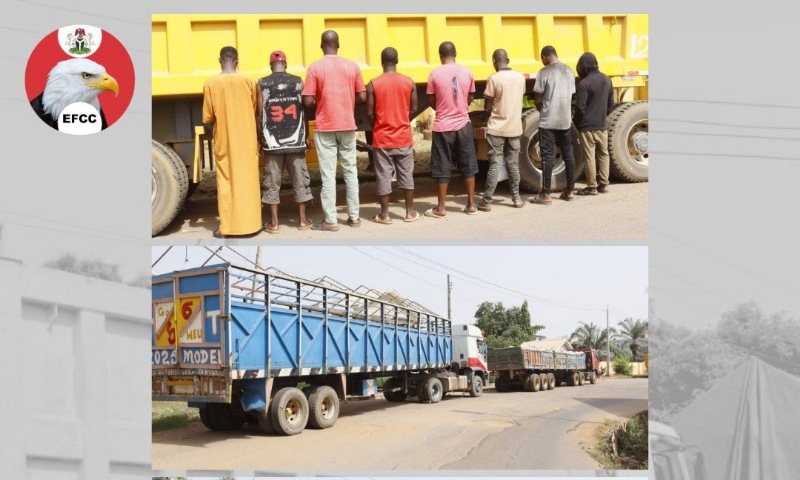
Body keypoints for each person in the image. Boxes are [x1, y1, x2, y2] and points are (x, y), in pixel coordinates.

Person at [302, 30, 366, 232]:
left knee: (328, 175)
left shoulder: (315, 67)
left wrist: (320, 100)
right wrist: (348, 99)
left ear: (322, 45)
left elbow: (307, 100)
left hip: (325, 126)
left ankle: (331, 220)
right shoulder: (352, 66)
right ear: (338, 44)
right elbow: (362, 95)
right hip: (347, 125)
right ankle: (354, 217)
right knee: (350, 171)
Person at [202, 46, 262, 238]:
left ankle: (228, 228)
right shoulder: (249, 81)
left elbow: (208, 118)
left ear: (219, 61)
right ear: (237, 61)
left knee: (226, 182)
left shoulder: (211, 84)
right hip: (247, 140)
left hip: (225, 141)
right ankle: (252, 225)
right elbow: (255, 110)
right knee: (249, 181)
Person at [257, 50, 313, 233]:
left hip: (272, 143)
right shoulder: (297, 82)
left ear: (271, 65)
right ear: (286, 64)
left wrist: (260, 139)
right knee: (300, 180)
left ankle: (274, 224)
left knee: (272, 183)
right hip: (295, 141)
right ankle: (302, 221)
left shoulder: (263, 83)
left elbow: (260, 114)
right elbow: (303, 110)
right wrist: (305, 135)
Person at [424, 41, 479, 218]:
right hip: (463, 125)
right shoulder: (467, 71)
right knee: (468, 164)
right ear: (455, 54)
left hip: (442, 127)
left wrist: (442, 108)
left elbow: (431, 101)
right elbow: (470, 96)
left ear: (440, 56)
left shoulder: (434, 74)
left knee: (442, 167)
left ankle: (441, 208)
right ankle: (471, 205)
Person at [366, 47, 420, 224]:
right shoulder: (409, 82)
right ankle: (410, 212)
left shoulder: (373, 84)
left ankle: (385, 215)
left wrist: (380, 125)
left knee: (383, 176)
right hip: (403, 137)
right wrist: (402, 121)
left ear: (382, 62)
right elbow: (413, 109)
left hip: (382, 139)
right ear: (397, 61)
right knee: (406, 175)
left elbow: (370, 113)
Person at [478, 49, 526, 212]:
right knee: (513, 164)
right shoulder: (520, 77)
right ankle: (517, 198)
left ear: (494, 61)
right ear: (508, 59)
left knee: (495, 164)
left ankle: (486, 201)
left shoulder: (494, 79)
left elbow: (487, 106)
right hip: (514, 128)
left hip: (497, 129)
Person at [530, 45, 577, 204]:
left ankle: (546, 194)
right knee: (568, 154)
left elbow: (537, 98)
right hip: (565, 120)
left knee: (547, 156)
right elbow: (571, 94)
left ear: (544, 57)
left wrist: (540, 108)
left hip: (548, 120)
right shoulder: (569, 71)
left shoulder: (544, 72)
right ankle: (570, 191)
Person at [574, 51, 614, 195]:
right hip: (602, 126)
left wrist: (577, 122)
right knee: (604, 154)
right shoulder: (607, 80)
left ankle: (591, 187)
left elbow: (580, 107)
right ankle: (603, 185)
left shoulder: (584, 83)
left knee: (589, 156)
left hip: (587, 127)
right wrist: (602, 117)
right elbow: (611, 104)